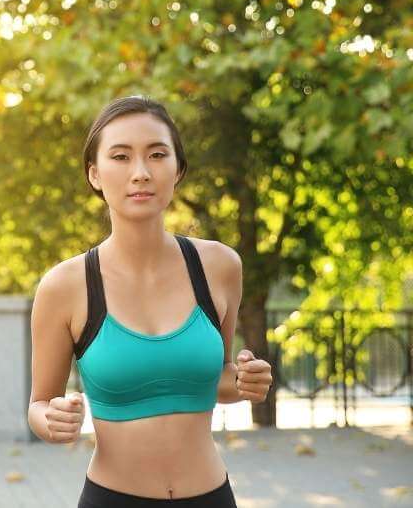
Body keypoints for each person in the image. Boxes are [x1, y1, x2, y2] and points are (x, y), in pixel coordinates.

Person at [27, 95, 273, 507]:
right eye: (121, 157)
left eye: (157, 154)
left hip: (212, 497)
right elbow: (39, 404)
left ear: (177, 170)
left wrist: (247, 381)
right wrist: (52, 421)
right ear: (95, 174)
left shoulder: (219, 266)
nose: (140, 173)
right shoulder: (65, 286)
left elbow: (214, 379)